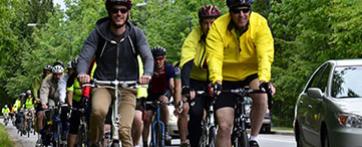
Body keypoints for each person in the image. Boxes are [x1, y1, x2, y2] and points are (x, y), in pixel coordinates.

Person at [76, 0, 154, 146]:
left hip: (128, 86)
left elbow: (147, 57)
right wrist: (82, 73)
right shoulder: (98, 33)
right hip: (103, 84)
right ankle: (94, 142)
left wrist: (147, 74)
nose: (119, 14)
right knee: (98, 111)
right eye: (115, 10)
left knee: (124, 130)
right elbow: (85, 57)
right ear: (109, 12)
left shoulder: (136, 34)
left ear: (128, 13)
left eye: (123, 10)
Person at [206, 0, 274, 146]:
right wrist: (216, 81)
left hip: (251, 72)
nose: (241, 15)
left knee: (262, 97)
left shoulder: (260, 23)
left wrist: (264, 79)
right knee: (224, 127)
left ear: (250, 10)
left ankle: (254, 137)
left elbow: (265, 54)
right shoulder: (218, 26)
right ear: (230, 12)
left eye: (245, 10)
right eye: (237, 11)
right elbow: (214, 57)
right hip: (225, 77)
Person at [179, 5, 221, 147]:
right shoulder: (194, 37)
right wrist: (186, 86)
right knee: (196, 114)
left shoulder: (224, 35)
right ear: (200, 24)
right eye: (205, 23)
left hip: (218, 78)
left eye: (213, 23)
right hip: (196, 80)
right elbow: (186, 62)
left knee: (225, 113)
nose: (209, 27)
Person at [141, 47, 181, 146]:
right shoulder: (149, 68)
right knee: (147, 118)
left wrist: (175, 102)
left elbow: (172, 86)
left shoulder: (169, 68)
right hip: (151, 94)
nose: (159, 62)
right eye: (156, 59)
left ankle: (166, 130)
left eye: (161, 59)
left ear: (164, 58)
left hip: (164, 92)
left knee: (163, 104)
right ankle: (145, 143)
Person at [37, 63, 67, 145]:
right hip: (51, 98)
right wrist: (44, 103)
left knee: (66, 113)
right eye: (56, 75)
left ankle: (64, 132)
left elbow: (69, 90)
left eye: (60, 74)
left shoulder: (66, 78)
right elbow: (44, 91)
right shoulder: (47, 79)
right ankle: (49, 128)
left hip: (63, 98)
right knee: (51, 109)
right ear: (53, 74)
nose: (58, 76)